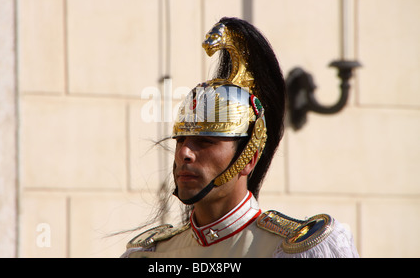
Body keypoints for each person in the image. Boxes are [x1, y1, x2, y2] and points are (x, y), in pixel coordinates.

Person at [122, 17, 359, 258]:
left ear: (249, 159)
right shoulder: (150, 253)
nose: (184, 153)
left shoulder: (295, 250)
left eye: (206, 141)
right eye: (181, 140)